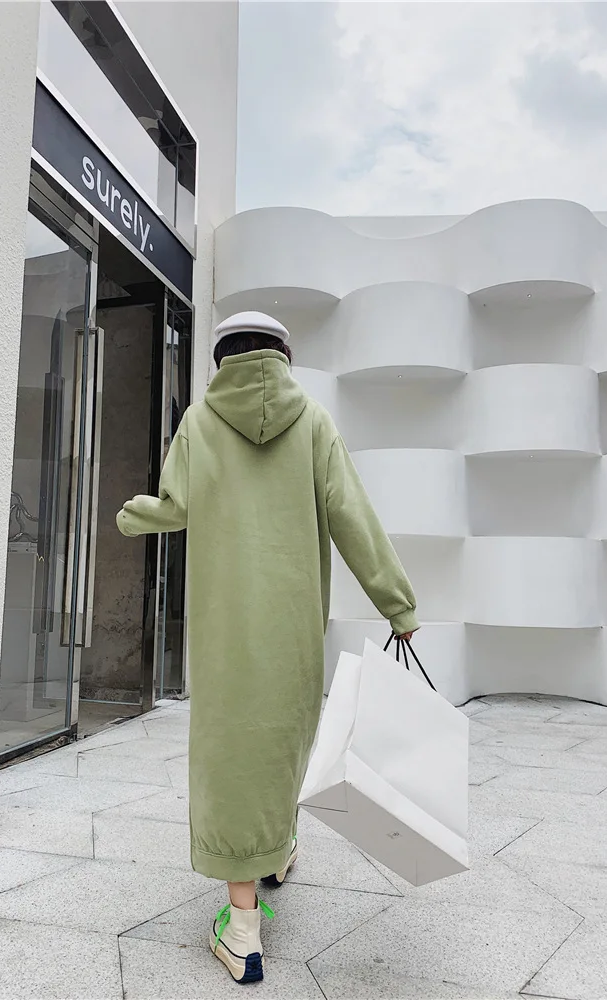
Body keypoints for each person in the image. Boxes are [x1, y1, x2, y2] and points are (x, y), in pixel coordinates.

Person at [116, 311, 418, 984]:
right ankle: (277, 849)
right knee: (283, 742)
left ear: (222, 358)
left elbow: (174, 505)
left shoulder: (199, 422)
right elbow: (353, 517)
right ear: (283, 355)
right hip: (292, 630)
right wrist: (397, 604)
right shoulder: (313, 422)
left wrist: (135, 514)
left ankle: (243, 929)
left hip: (226, 634)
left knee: (231, 758)